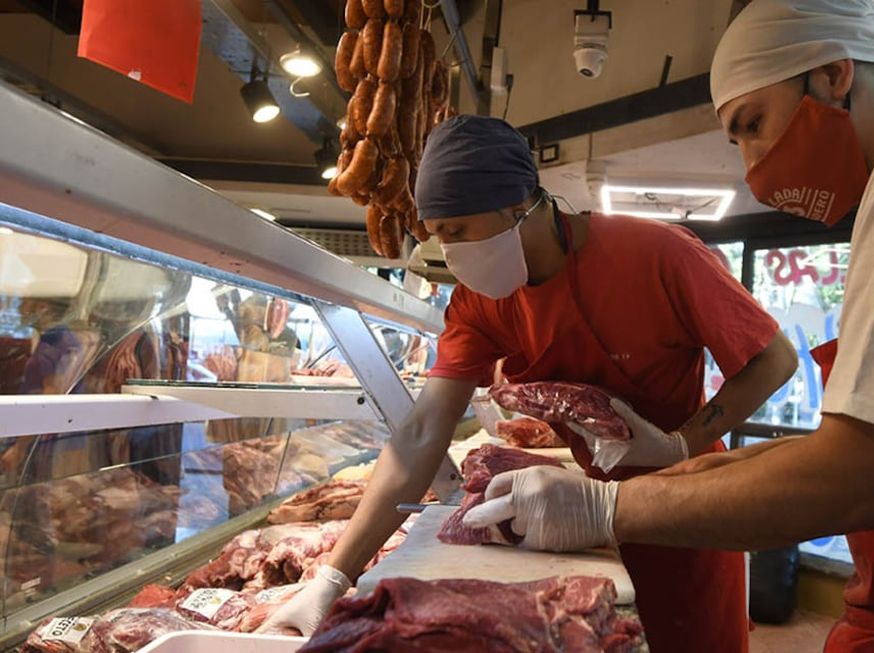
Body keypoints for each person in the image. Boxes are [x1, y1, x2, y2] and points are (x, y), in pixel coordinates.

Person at [467, 1, 874, 651]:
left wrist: (606, 507)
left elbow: (857, 474)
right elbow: (851, 445)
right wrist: (672, 463)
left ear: (833, 75)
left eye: (753, 124)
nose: (751, 166)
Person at [262, 115, 798, 651]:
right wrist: (336, 576)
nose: (448, 251)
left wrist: (681, 441)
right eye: (436, 234)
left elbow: (773, 360)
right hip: (577, 520)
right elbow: (423, 431)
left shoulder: (658, 254)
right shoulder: (480, 303)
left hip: (685, 513)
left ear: (518, 206)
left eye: (456, 231)